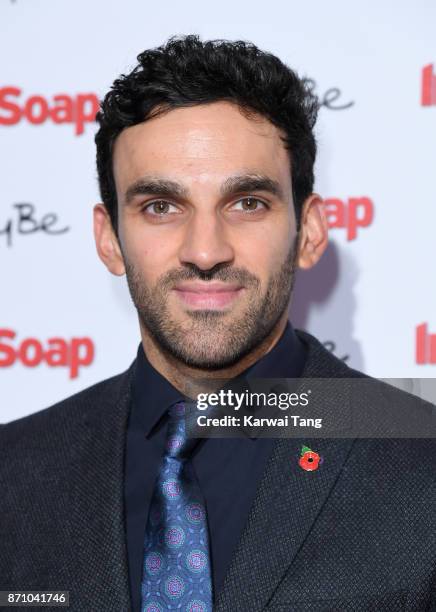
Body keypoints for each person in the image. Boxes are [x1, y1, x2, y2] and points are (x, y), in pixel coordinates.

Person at [1, 35, 435, 612]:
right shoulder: (15, 470)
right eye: (160, 206)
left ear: (308, 231)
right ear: (109, 240)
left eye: (247, 202)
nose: (205, 251)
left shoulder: (422, 456)